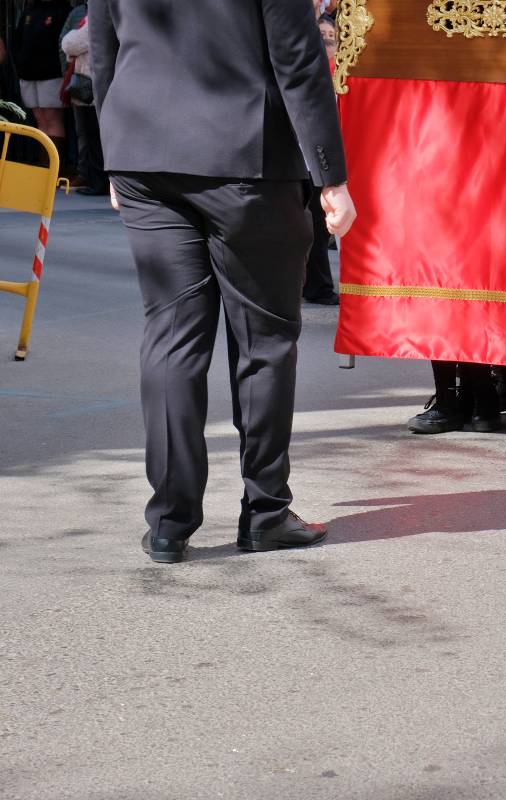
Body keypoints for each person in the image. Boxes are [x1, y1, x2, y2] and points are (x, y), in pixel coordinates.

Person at [91, 0, 358, 563]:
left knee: (171, 340)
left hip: (144, 151)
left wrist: (114, 153)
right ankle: (264, 512)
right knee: (263, 341)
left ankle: (169, 522)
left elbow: (105, 45)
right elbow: (297, 55)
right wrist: (330, 177)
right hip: (245, 155)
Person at [11, 0, 71, 173]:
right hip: (28, 75)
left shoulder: (63, 11)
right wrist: (20, 65)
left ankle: (54, 170)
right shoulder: (29, 11)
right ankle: (44, 169)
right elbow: (16, 41)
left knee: (52, 118)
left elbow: (64, 43)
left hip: (52, 75)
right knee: (40, 120)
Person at [60, 5, 108, 196]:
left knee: (94, 138)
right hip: (87, 87)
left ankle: (99, 183)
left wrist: (73, 44)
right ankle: (94, 180)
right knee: (90, 138)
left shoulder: (95, 21)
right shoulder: (90, 20)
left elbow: (70, 44)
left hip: (91, 89)